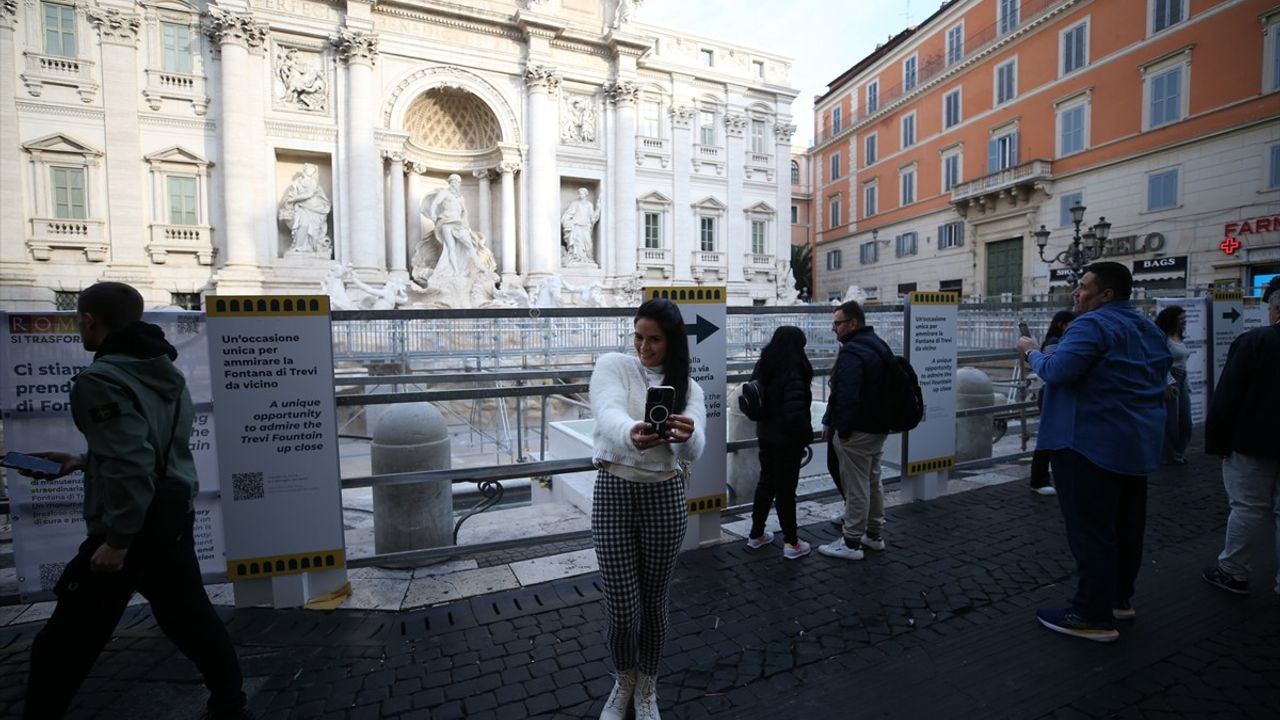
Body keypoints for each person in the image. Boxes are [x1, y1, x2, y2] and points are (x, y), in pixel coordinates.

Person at [20, 282, 251, 720]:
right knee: (193, 622)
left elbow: (132, 462)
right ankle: (231, 704)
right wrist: (81, 461)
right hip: (171, 514)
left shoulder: (100, 379)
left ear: (88, 320)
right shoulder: (164, 368)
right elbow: (151, 447)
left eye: (79, 321)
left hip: (130, 528)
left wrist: (120, 541)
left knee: (63, 642)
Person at [1016, 262, 1171, 643]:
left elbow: (1058, 370)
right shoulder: (1148, 327)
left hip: (1087, 443)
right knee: (1126, 526)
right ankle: (1118, 599)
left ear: (1106, 294)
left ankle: (1091, 614)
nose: (1076, 292)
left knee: (1092, 531)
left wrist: (1032, 352)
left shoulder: (1091, 324)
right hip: (1135, 443)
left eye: (1083, 286)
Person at [589, 297, 706, 720]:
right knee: (623, 610)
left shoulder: (689, 387)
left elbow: (695, 448)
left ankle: (647, 687)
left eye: (654, 339)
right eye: (638, 336)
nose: (643, 346)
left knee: (654, 602)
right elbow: (606, 413)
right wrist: (630, 433)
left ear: (672, 342)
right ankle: (624, 680)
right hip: (614, 492)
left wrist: (684, 435)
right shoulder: (614, 365)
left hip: (665, 495)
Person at [1201, 276, 1280, 598]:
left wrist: (1218, 443)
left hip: (1252, 443)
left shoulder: (1255, 341)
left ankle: (1233, 571)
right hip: (1257, 440)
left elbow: (1227, 397)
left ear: (1276, 311)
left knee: (1247, 507)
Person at [818, 300, 892, 561]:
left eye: (838, 323)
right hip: (878, 426)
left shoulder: (852, 352)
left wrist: (843, 430)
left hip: (858, 429)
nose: (834, 328)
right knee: (873, 480)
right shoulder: (878, 344)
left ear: (853, 323)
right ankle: (873, 535)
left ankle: (850, 542)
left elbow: (845, 394)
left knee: (856, 485)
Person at [744, 326, 814, 560]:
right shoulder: (793, 369)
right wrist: (805, 437)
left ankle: (756, 534)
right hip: (787, 439)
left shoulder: (764, 364)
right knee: (786, 490)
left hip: (766, 434)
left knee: (766, 484)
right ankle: (792, 542)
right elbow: (795, 413)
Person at [1028, 310, 1076, 495]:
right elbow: (1052, 369)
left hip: (1054, 394)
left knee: (1049, 435)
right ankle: (1039, 480)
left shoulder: (1059, 341)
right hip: (1052, 394)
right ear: (1061, 324)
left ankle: (1041, 479)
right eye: (1072, 324)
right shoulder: (1055, 343)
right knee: (1047, 436)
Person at [1154, 305, 1192, 465]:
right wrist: (1167, 383)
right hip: (1171, 379)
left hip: (1182, 379)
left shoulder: (1179, 336)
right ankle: (1168, 456)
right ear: (1172, 320)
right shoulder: (1163, 338)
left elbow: (1183, 363)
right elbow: (1159, 362)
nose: (1184, 321)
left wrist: (1186, 383)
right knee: (1171, 422)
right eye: (1181, 318)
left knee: (1186, 421)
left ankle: (1178, 453)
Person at [278, 163, 331, 253]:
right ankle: (299, 246)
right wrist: (289, 199)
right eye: (309, 169)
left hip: (314, 207)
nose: (310, 172)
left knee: (309, 226)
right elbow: (291, 193)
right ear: (304, 170)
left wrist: (294, 198)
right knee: (302, 224)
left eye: (312, 170)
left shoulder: (313, 182)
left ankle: (308, 247)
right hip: (300, 206)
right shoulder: (297, 182)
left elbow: (309, 194)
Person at [561, 187, 600, 264]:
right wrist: (566, 221)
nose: (581, 195)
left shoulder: (589, 205)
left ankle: (587, 258)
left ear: (586, 194)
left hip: (586, 226)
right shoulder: (575, 203)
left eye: (582, 193)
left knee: (587, 243)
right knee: (577, 244)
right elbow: (569, 213)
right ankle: (576, 258)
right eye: (580, 193)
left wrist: (598, 208)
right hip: (576, 226)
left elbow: (592, 217)